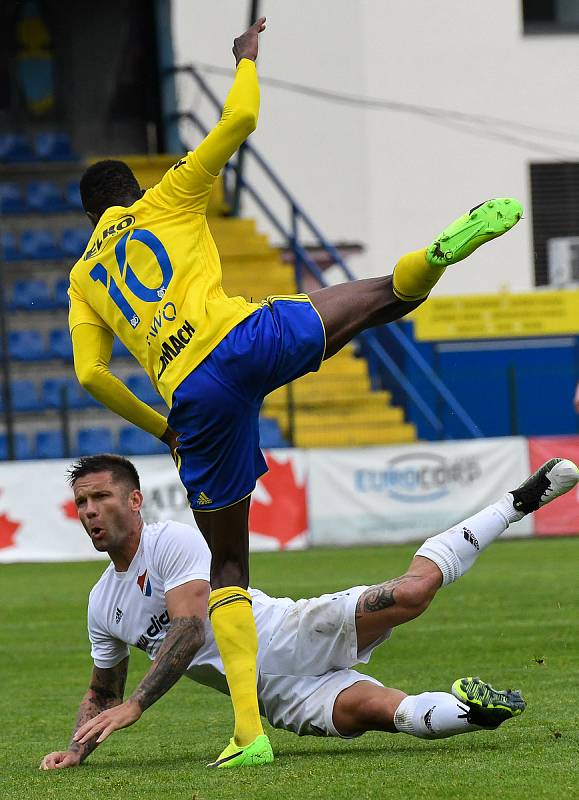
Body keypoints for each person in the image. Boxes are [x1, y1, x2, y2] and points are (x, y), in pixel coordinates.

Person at [68, 15, 524, 767]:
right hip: (246, 336)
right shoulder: (170, 197)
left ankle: (248, 733)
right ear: (135, 191)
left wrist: (160, 429)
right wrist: (246, 60)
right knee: (379, 296)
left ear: (90, 218)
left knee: (230, 573)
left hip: (194, 397)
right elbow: (242, 116)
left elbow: (89, 374)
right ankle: (437, 255)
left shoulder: (84, 276)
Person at [39, 453, 578, 770]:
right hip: (276, 698)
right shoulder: (101, 603)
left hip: (292, 634)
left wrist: (136, 705)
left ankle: (516, 503)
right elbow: (101, 690)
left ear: (133, 501)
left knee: (410, 595)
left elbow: (189, 627)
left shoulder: (171, 542)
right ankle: (471, 706)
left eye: (100, 497)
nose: (90, 512)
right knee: (398, 717)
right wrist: (76, 749)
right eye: (81, 503)